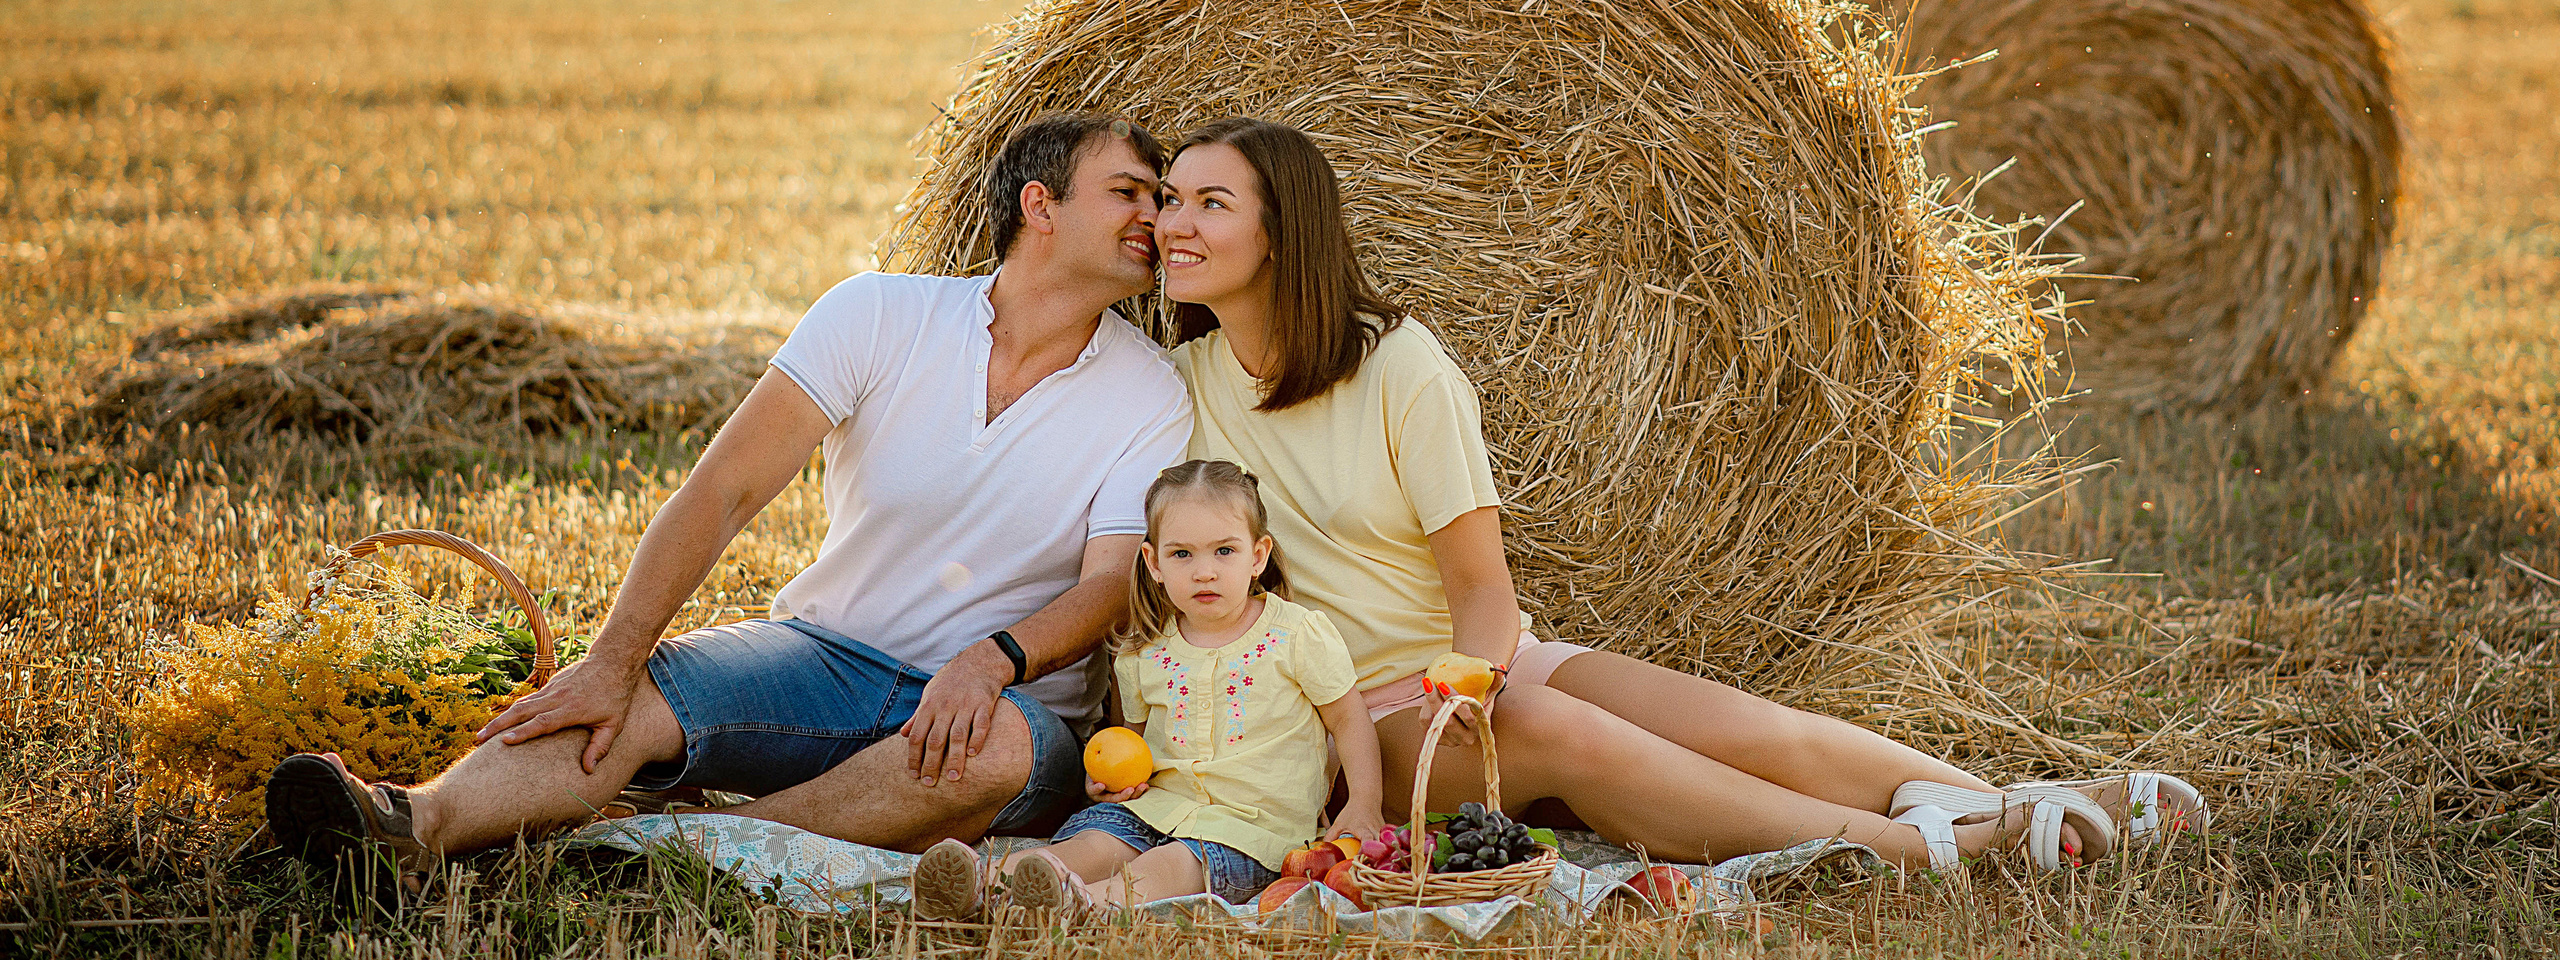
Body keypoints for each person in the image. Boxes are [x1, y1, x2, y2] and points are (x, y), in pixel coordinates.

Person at [1150, 117, 2209, 874]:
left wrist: (1472, 690)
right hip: (1346, 717)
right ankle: (1916, 848)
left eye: (1209, 202)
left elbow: (1483, 591)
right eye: (1167, 200)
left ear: (1282, 232)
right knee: (1586, 743)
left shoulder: (1399, 365)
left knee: (1748, 727)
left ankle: (2010, 800)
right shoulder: (1176, 391)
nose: (1172, 223)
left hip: (1460, 676)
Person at [260, 112, 1194, 896]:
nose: (1158, 214)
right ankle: (409, 823)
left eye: (1163, 197)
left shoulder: (1149, 391)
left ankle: (685, 849)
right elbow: (724, 490)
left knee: (991, 756)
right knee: (627, 696)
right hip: (819, 658)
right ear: (1041, 205)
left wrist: (993, 662)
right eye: (1130, 191)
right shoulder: (880, 314)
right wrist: (611, 659)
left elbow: (1111, 584)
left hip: (1004, 708)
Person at [910, 459, 1389, 917]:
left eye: (1225, 551)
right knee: (1093, 844)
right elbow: (1129, 743)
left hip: (1247, 830)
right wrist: (1107, 782)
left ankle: (1086, 907)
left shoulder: (1296, 635)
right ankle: (979, 882)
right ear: (1154, 562)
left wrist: (1363, 803)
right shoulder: (1144, 653)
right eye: (1182, 554)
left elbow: (1348, 718)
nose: (1204, 571)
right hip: (1154, 808)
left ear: (1257, 556)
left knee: (1165, 867)